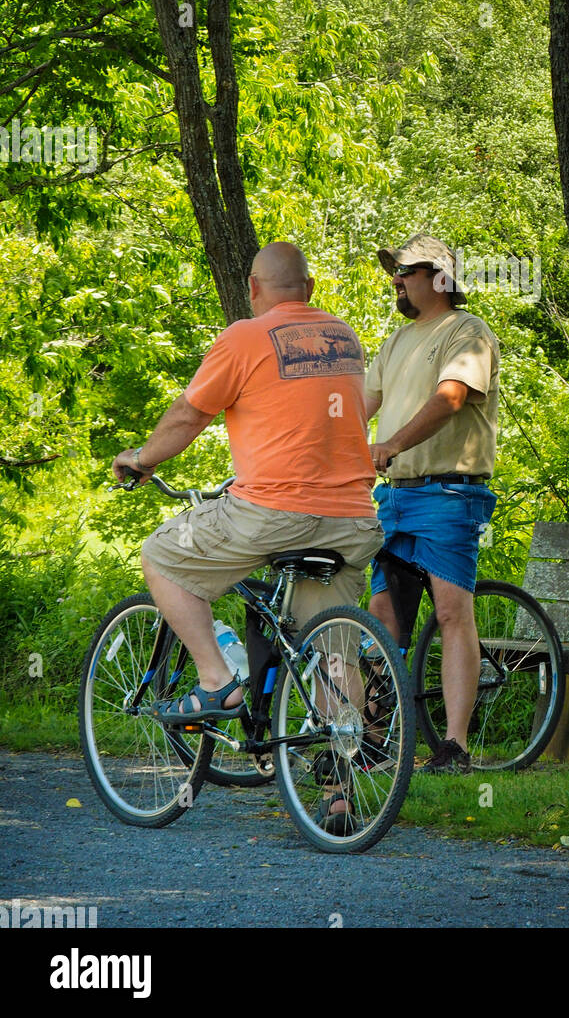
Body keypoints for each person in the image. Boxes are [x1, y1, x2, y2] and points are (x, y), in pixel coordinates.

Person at [111, 242, 384, 768]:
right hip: (352, 520)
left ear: (254, 288)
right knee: (333, 655)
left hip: (273, 514)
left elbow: (190, 415)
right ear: (309, 289)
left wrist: (142, 459)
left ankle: (217, 681)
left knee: (161, 556)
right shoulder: (343, 336)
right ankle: (341, 792)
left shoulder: (245, 336)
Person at [365, 232, 500, 774]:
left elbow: (451, 398)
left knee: (450, 613)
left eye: (406, 272)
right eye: (394, 273)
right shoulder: (396, 341)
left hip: (449, 492)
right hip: (394, 497)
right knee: (381, 616)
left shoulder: (468, 332)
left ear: (440, 279)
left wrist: (392, 444)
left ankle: (454, 746)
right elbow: (358, 406)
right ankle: (372, 739)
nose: (395, 281)